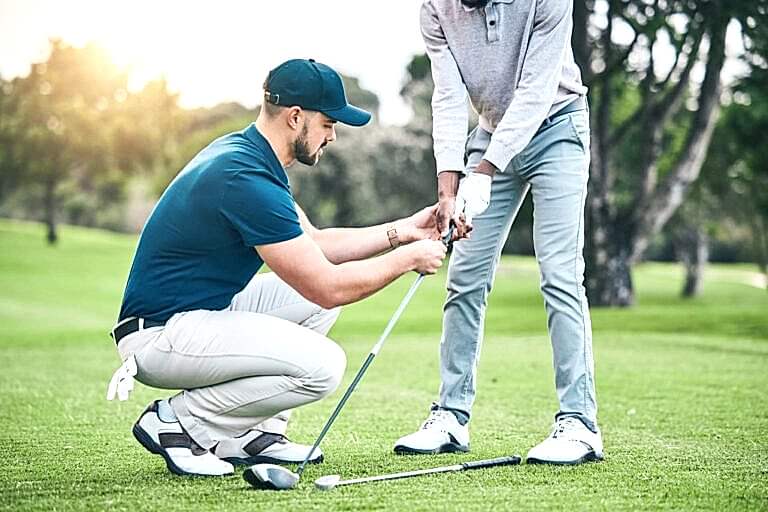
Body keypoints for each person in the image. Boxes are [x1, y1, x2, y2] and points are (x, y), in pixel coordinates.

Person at [106, 58, 448, 477]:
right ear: (296, 117)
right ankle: (178, 423)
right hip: (161, 336)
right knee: (323, 366)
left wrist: (405, 230)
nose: (333, 136)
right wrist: (408, 259)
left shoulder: (248, 156)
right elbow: (328, 285)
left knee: (313, 306)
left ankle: (247, 434)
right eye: (328, 123)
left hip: (192, 318)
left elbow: (315, 244)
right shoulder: (245, 178)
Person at [393, 0, 603, 465]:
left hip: (557, 126)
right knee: (464, 277)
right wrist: (449, 185)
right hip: (488, 134)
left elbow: (536, 88)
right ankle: (450, 416)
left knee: (561, 275)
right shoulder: (435, 8)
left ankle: (579, 424)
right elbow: (447, 95)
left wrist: (485, 173)